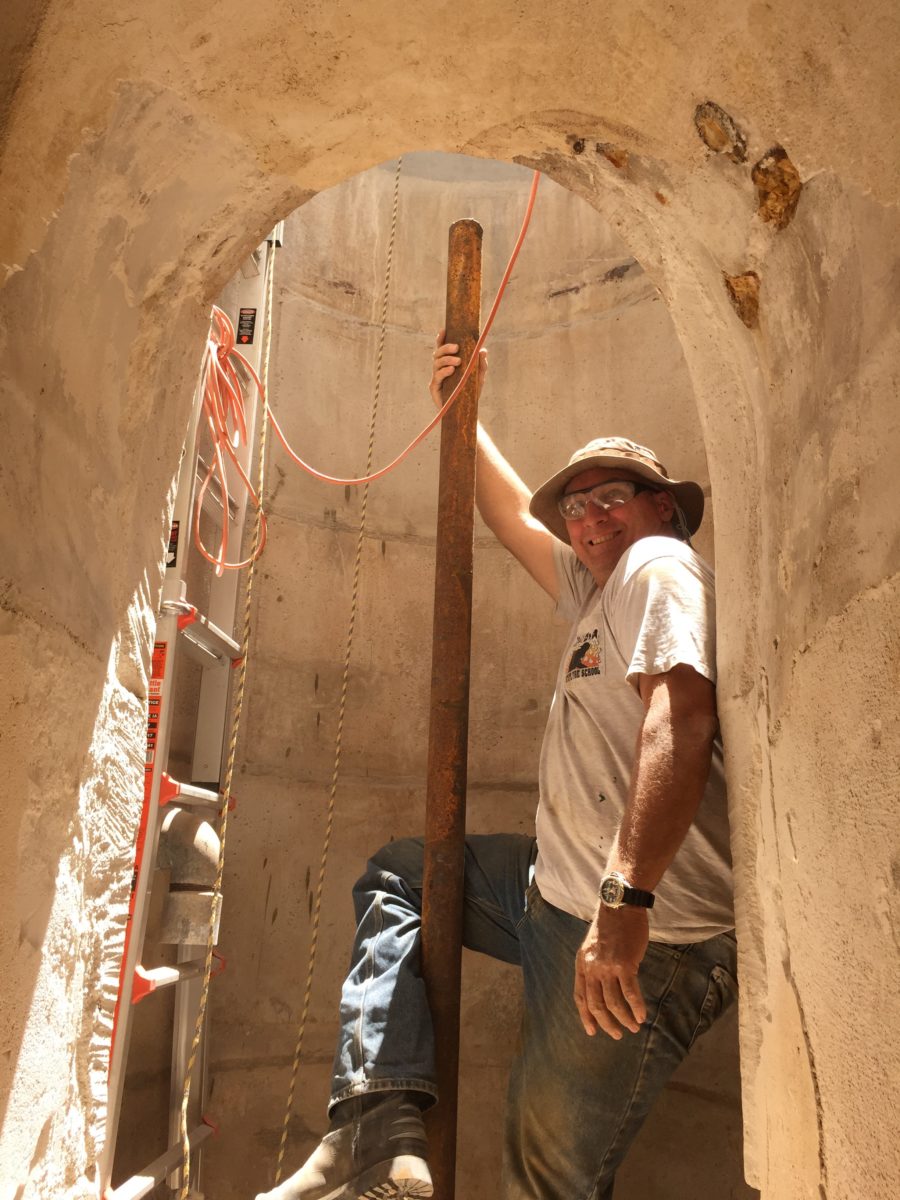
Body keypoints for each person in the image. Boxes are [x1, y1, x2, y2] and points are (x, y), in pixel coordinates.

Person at [257, 338, 736, 1200]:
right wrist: (461, 403)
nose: (588, 520)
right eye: (580, 506)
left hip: (645, 937)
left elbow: (683, 719)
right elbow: (514, 512)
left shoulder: (655, 568)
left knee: (543, 1182)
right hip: (558, 895)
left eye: (611, 500)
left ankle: (384, 1132)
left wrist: (626, 900)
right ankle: (380, 1125)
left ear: (663, 507)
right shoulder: (600, 588)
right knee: (406, 875)